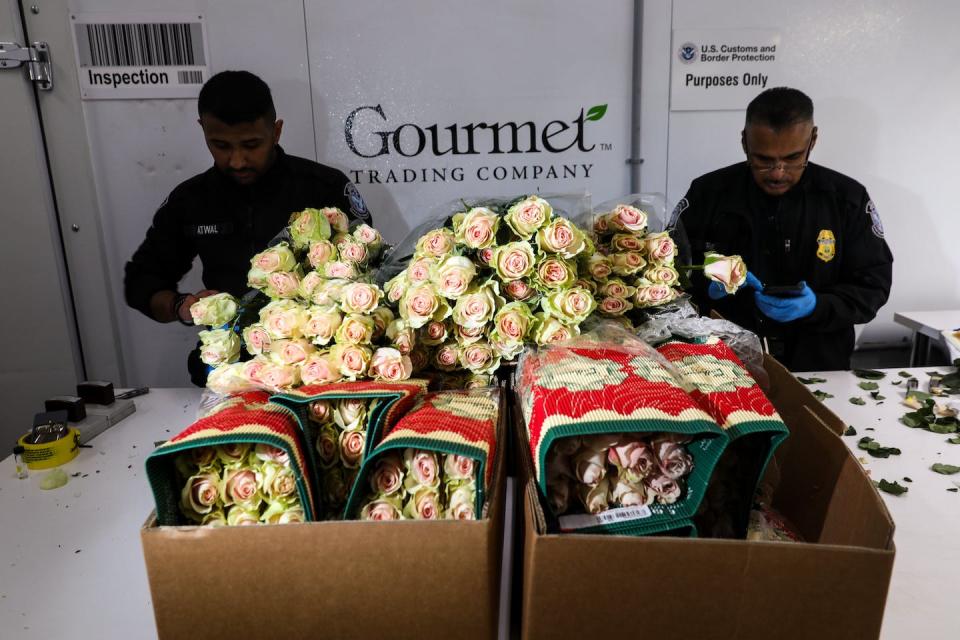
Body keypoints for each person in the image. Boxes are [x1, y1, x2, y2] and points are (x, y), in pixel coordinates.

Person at [124, 70, 372, 385]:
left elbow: (369, 273)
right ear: (203, 130)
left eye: (251, 145)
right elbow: (141, 281)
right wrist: (181, 306)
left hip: (318, 371)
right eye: (221, 145)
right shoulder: (190, 200)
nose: (237, 161)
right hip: (228, 372)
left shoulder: (325, 188)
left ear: (276, 131)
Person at [672, 87, 892, 371]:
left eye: (792, 158)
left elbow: (873, 286)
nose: (777, 172)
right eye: (763, 159)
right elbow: (667, 272)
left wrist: (818, 306)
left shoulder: (846, 199)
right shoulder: (708, 193)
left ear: (813, 140)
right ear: (744, 142)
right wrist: (705, 283)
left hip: (818, 367)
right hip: (721, 365)